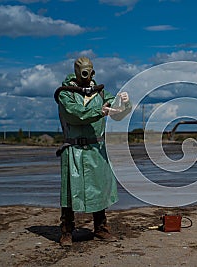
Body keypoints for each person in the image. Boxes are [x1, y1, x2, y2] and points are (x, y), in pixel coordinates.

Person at [54, 57, 131, 246]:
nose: (86, 76)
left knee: (100, 189)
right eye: (82, 72)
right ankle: (66, 231)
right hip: (73, 149)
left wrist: (124, 103)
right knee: (70, 193)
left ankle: (101, 228)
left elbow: (118, 112)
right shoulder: (66, 94)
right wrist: (101, 111)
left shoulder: (101, 92)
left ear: (93, 72)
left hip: (96, 149)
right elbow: (75, 114)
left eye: (88, 72)